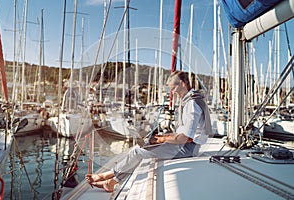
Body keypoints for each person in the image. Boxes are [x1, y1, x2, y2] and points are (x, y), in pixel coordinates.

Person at [85, 70, 213, 192]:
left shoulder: (192, 104)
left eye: (173, 88)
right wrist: (162, 137)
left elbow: (185, 138)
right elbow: (184, 133)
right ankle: (111, 181)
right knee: (142, 148)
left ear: (183, 84)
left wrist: (162, 139)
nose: (172, 92)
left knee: (137, 152)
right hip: (185, 146)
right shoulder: (193, 100)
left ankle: (107, 178)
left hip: (187, 148)